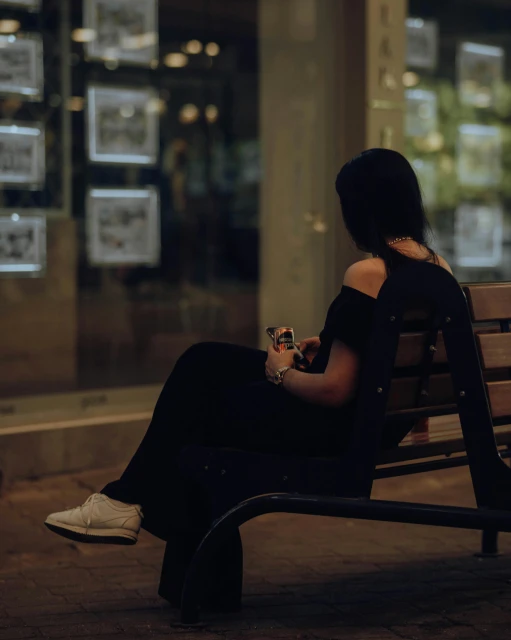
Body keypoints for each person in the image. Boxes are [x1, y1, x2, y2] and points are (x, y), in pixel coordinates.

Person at [44, 148, 452, 546]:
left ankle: (127, 504)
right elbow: (403, 363)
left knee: (195, 412)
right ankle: (123, 501)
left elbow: (335, 390)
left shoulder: (368, 273)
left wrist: (282, 372)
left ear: (363, 210)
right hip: (377, 424)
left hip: (335, 430)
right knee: (203, 361)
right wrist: (327, 347)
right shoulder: (436, 268)